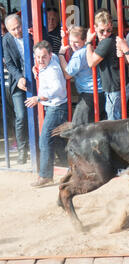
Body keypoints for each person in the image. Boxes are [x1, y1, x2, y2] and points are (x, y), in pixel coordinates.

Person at [25, 40, 68, 187]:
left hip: (56, 108)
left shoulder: (53, 71)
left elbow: (57, 90)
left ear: (49, 55)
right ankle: (70, 168)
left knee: (45, 140)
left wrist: (38, 98)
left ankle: (45, 176)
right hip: (55, 107)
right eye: (37, 57)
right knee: (60, 139)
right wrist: (36, 68)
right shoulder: (53, 58)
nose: (40, 60)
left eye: (43, 57)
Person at [86, 9, 129, 120]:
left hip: (115, 89)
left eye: (109, 30)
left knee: (114, 124)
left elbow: (91, 63)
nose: (105, 34)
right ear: (95, 28)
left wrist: (88, 43)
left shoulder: (106, 42)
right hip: (120, 86)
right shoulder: (113, 39)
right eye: (102, 31)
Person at [58, 26, 106, 125]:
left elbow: (68, 75)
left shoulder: (79, 54)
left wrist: (61, 55)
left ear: (85, 40)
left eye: (76, 42)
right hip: (98, 91)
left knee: (78, 126)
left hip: (89, 93)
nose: (73, 45)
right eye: (71, 41)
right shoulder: (87, 49)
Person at [3, 14, 29, 164]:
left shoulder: (30, 31)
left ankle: (39, 148)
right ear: (8, 30)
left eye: (18, 26)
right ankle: (22, 151)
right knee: (20, 116)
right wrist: (19, 77)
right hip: (17, 82)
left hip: (36, 79)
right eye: (13, 29)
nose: (17, 31)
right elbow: (10, 64)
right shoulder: (6, 40)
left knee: (39, 114)